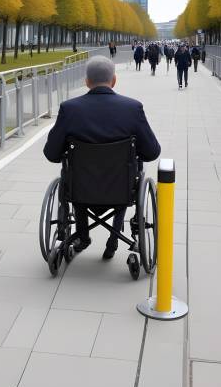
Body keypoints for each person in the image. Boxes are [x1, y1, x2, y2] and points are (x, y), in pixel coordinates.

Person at [43, 56, 161, 259]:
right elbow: (152, 152)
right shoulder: (132, 108)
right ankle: (114, 240)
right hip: (121, 189)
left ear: (87, 81)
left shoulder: (69, 109)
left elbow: (51, 154)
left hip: (80, 189)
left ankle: (83, 235)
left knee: (73, 174)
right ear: (114, 80)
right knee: (128, 170)